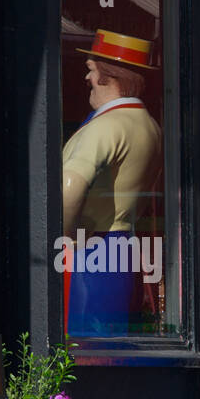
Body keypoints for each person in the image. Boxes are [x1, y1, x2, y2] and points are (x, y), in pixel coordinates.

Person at [61, 29, 162, 336]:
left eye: (92, 70)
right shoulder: (148, 125)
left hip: (89, 254)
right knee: (113, 355)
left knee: (78, 358)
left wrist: (68, 237)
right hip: (122, 250)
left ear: (110, 75)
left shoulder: (105, 127)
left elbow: (69, 184)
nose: (87, 79)